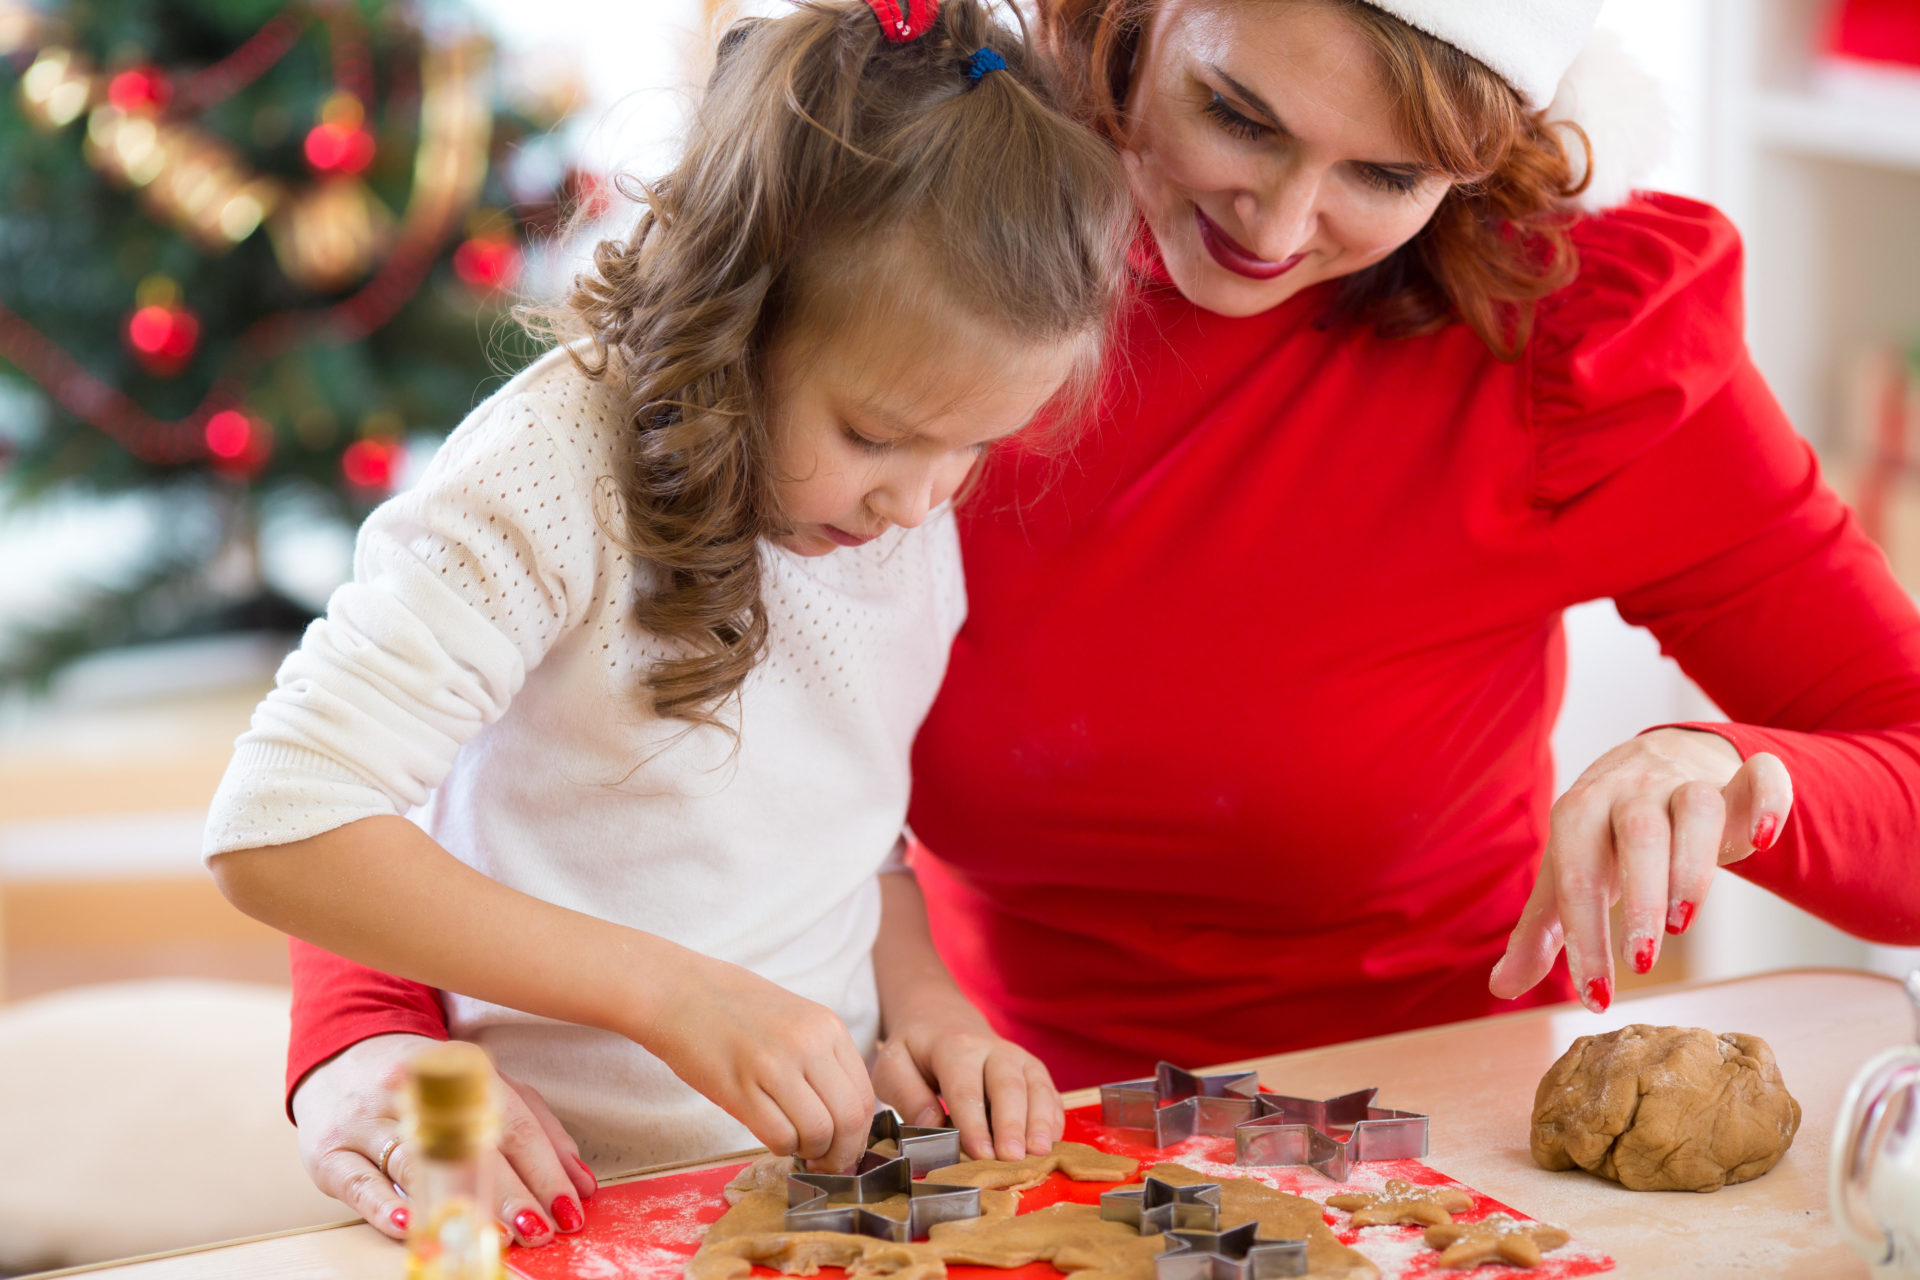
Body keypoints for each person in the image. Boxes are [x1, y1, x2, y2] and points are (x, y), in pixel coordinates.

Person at [283, 0, 1920, 1246]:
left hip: (1418, 1141)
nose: (1280, 228)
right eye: (1237, 116)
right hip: (970, 1137)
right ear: (1123, 22)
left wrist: (1748, 773)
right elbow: (458, 722)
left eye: (1386, 175)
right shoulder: (903, 276)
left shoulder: (1576, 352)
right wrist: (367, 1044)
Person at [203, 0, 1134, 1247]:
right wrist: (672, 992)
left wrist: (933, 1010)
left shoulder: (891, 506)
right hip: (553, 1194)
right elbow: (279, 820)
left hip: (825, 1197)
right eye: (876, 434)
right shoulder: (549, 470)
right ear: (740, 308)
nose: (920, 499)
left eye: (973, 446)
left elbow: (857, 834)